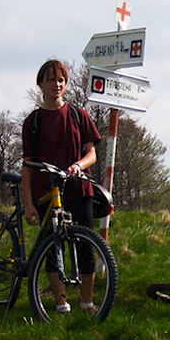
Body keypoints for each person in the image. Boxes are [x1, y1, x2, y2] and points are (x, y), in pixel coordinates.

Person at [22, 58, 103, 313]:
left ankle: (87, 302)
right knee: (51, 249)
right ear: (40, 84)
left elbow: (92, 154)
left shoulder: (79, 116)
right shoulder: (32, 122)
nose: (56, 84)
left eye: (60, 79)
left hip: (79, 190)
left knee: (86, 247)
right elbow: (27, 165)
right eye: (50, 80)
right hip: (46, 193)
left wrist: (79, 165)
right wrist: (28, 204)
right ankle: (61, 303)